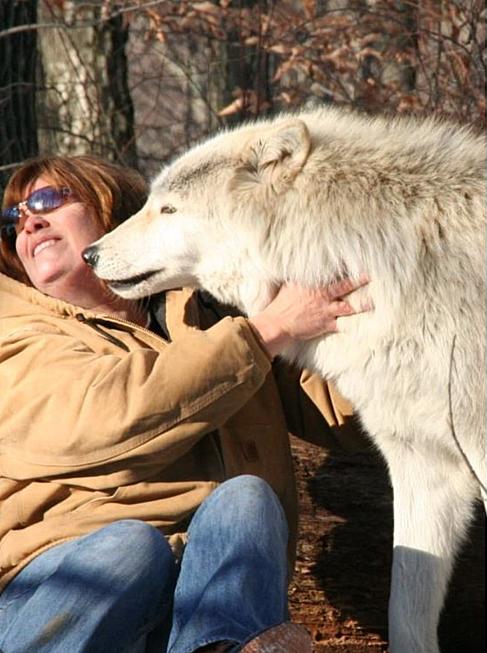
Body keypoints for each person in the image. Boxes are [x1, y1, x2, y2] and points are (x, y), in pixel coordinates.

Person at [0, 155, 370, 653]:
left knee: (247, 501)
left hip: (209, 594)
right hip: (55, 590)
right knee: (130, 550)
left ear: (117, 208)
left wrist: (366, 311)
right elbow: (108, 419)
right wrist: (270, 329)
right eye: (13, 220)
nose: (30, 221)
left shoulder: (215, 312)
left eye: (47, 200)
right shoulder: (15, 336)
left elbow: (347, 411)